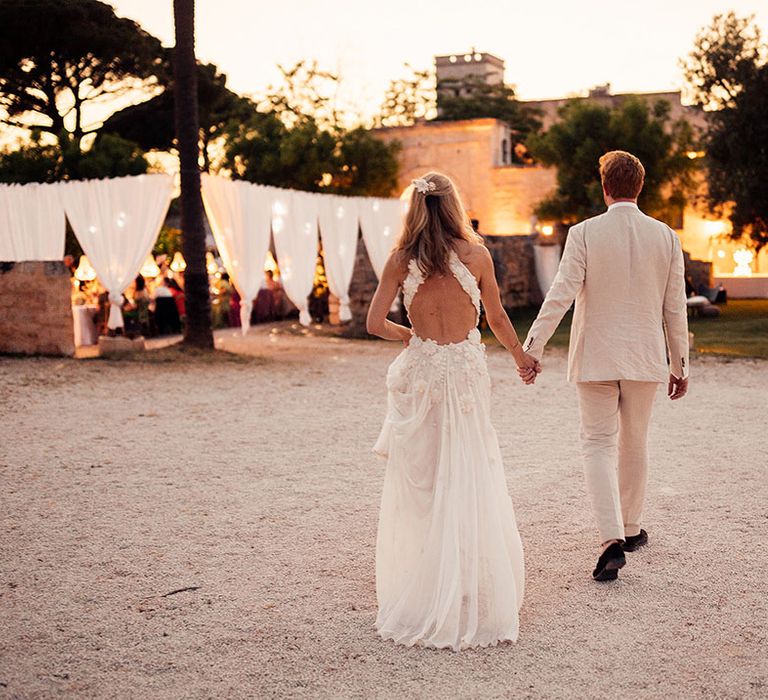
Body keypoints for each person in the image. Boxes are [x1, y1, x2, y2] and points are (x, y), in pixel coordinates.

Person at [366, 171, 538, 650]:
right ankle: (464, 579)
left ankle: (425, 578)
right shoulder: (477, 255)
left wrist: (411, 337)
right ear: (455, 205)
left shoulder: (401, 260)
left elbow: (374, 322)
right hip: (463, 372)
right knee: (467, 468)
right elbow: (499, 318)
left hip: (423, 372)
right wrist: (522, 358)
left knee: (423, 475)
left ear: (416, 209)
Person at [520, 150, 689, 582]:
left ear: (604, 187)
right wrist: (680, 363)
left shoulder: (584, 233)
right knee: (635, 442)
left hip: (595, 356)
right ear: (640, 187)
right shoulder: (666, 236)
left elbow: (561, 293)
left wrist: (533, 347)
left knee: (597, 443)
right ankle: (631, 529)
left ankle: (611, 538)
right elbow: (675, 308)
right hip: (646, 357)